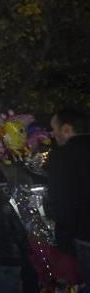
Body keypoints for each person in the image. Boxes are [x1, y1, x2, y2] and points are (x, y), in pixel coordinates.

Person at [46, 108, 90, 282]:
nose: (52, 134)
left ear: (66, 129)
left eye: (54, 129)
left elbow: (63, 201)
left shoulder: (63, 156)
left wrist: (64, 240)